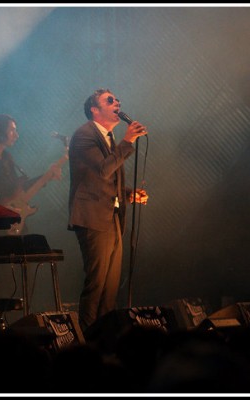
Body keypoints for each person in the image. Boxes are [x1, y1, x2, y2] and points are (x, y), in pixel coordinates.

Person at [68, 88, 148, 333]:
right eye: (110, 100)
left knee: (110, 287)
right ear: (94, 109)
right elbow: (103, 169)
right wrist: (128, 141)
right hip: (92, 217)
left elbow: (107, 179)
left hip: (111, 217)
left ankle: (105, 339)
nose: (117, 103)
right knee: (97, 284)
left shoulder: (109, 138)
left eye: (118, 100)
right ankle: (88, 340)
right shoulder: (84, 135)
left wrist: (127, 193)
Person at [0, 114, 62, 300]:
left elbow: (19, 190)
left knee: (22, 280)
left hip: (15, 225)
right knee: (7, 281)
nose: (16, 135)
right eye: (12, 130)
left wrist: (46, 176)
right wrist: (2, 203)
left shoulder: (8, 158)